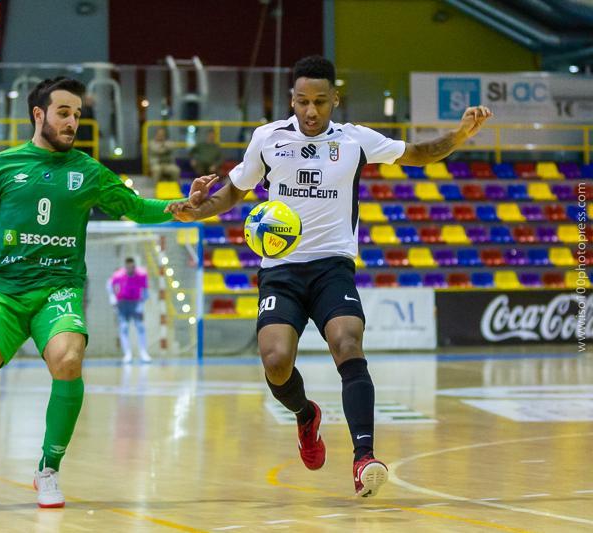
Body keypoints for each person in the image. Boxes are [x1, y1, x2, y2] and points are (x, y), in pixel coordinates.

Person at [168, 55, 492, 498]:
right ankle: (305, 415)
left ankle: (364, 458)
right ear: (292, 100)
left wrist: (458, 136)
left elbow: (417, 154)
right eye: (302, 101)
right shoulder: (267, 139)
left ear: (334, 99)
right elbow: (234, 191)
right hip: (280, 270)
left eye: (320, 101)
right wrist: (196, 210)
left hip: (332, 266)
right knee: (276, 361)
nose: (311, 111)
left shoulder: (356, 140)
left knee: (347, 342)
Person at [0, 76, 215, 508]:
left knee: (69, 359)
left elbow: (134, 208)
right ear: (38, 115)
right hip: (4, 289)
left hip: (59, 289)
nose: (72, 122)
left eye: (77, 114)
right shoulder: (3, 166)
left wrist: (176, 208)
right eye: (63, 112)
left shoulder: (88, 171)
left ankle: (48, 469)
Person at [107, 257, 151, 363]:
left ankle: (143, 352)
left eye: (132, 267)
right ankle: (127, 354)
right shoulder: (118, 275)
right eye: (128, 267)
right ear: (126, 266)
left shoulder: (141, 274)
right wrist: (112, 298)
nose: (130, 269)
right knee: (124, 328)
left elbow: (145, 290)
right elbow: (109, 285)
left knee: (140, 327)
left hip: (136, 303)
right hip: (122, 304)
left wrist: (142, 303)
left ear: (134, 266)